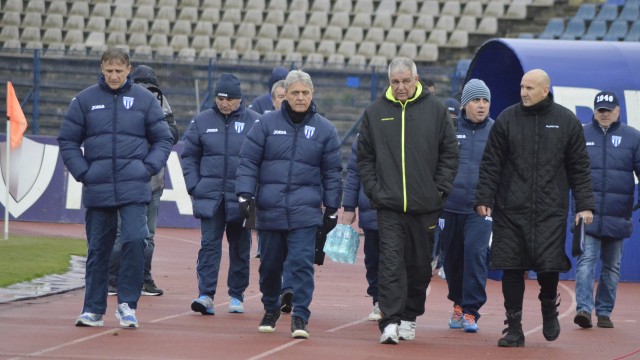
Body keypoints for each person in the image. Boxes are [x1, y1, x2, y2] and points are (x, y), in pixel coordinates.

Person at [475, 69, 595, 347]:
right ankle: (513, 327)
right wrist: (484, 198)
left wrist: (585, 205)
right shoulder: (507, 119)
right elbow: (491, 163)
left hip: (550, 211)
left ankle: (548, 307)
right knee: (511, 268)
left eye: (530, 88)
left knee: (549, 267)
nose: (524, 92)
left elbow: (579, 167)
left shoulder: (566, 121)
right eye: (521, 87)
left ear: (545, 90)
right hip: (510, 209)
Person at [58, 48, 173, 328]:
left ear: (128, 70)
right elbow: (68, 140)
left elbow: (163, 139)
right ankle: (93, 310)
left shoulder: (145, 100)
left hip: (134, 187)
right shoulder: (84, 100)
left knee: (135, 240)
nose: (113, 76)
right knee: (99, 250)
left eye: (118, 71)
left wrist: (147, 168)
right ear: (101, 68)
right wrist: (83, 172)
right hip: (98, 189)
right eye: (108, 70)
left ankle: (127, 305)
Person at [358, 57, 459, 345]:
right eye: (395, 82)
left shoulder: (436, 109)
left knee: (418, 267)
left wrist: (438, 190)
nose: (400, 87)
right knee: (390, 263)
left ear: (416, 80)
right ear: (389, 82)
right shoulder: (375, 112)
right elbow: (364, 158)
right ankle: (389, 321)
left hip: (425, 205)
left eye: (405, 81)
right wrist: (375, 190)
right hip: (389, 206)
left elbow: (450, 154)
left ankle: (409, 316)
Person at [236, 69, 343, 339]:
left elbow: (332, 172)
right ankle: (270, 308)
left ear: (312, 95)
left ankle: (300, 316)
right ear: (285, 95)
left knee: (302, 264)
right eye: (295, 92)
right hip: (270, 210)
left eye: (305, 93)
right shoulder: (265, 124)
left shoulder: (325, 129)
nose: (300, 97)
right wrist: (245, 194)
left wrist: (332, 208)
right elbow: (248, 161)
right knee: (270, 265)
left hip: (305, 212)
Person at [181, 73, 260, 315]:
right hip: (211, 197)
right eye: (220, 98)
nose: (224, 103)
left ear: (240, 99)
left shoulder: (256, 123)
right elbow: (189, 156)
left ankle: (236, 295)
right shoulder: (201, 121)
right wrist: (195, 185)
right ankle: (205, 294)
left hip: (243, 198)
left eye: (229, 99)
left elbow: (263, 160)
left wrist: (254, 191)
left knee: (240, 247)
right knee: (209, 245)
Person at [108, 64, 179, 297]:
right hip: (145, 180)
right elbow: (172, 134)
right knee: (142, 235)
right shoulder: (156, 100)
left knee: (125, 233)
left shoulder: (129, 99)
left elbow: (172, 135)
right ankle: (135, 279)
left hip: (134, 179)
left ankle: (119, 280)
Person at [573, 91, 640, 330]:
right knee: (586, 262)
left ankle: (603, 312)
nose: (604, 114)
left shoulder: (633, 137)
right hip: (587, 213)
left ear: (618, 111)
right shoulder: (580, 133)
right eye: (600, 110)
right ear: (594, 111)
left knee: (611, 268)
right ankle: (583, 309)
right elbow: (567, 169)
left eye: (609, 110)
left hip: (617, 214)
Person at [439, 79, 494, 334]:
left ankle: (471, 310)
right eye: (476, 100)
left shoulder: (496, 131)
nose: (481, 106)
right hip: (449, 206)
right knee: (451, 259)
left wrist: (493, 200)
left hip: (479, 210)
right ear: (465, 104)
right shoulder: (449, 128)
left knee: (475, 255)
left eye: (485, 100)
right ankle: (458, 303)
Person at [342, 134, 381, 321]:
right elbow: (353, 173)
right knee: (373, 260)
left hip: (399, 209)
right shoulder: (365, 134)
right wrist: (349, 207)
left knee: (394, 258)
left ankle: (390, 301)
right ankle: (377, 299)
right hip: (370, 209)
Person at [254, 79, 287, 259]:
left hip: (295, 198)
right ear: (273, 100)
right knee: (270, 264)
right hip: (268, 193)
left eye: (285, 96)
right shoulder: (262, 124)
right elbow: (251, 159)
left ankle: (289, 286)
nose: (283, 100)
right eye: (280, 97)